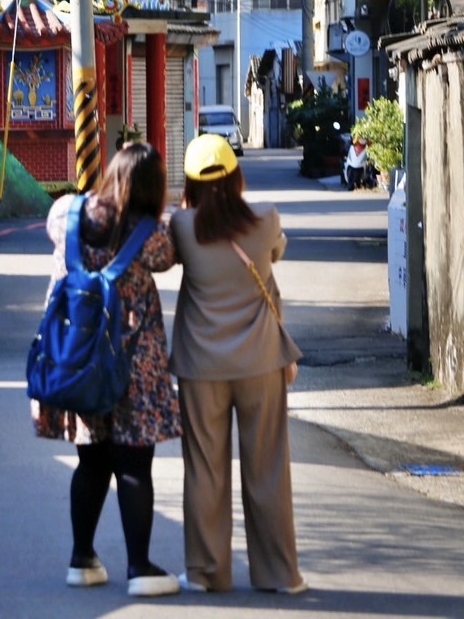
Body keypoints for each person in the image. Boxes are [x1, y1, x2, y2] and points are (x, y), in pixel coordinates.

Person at [32, 141, 181, 598]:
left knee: (90, 461)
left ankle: (82, 558)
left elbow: (52, 227)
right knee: (134, 465)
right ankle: (139, 567)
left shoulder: (65, 214)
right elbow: (170, 256)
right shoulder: (151, 237)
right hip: (134, 367)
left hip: (76, 360)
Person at [169, 133, 306, 596]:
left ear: (189, 182)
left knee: (205, 469)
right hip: (261, 362)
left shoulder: (182, 227)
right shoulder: (265, 220)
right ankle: (278, 574)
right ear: (236, 176)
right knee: (267, 467)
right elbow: (276, 251)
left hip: (200, 365)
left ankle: (207, 572)